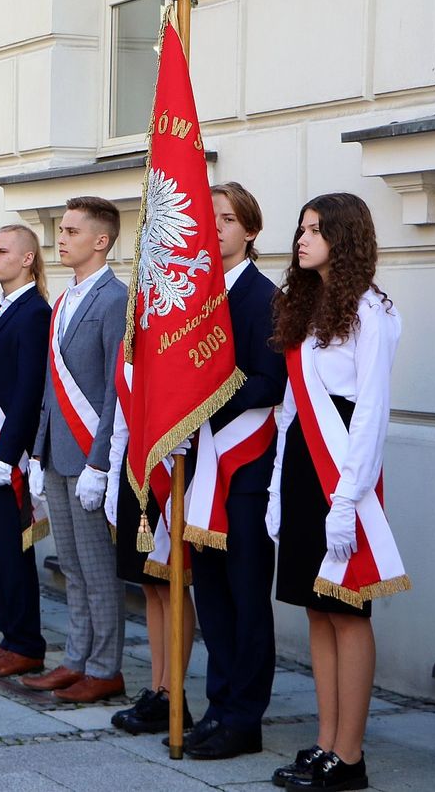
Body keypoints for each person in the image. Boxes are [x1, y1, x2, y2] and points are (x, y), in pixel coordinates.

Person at [267, 193, 406, 791]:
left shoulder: (372, 311)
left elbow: (371, 409)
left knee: (347, 609)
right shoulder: (308, 305)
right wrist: (278, 483)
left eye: (316, 230)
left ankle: (350, 756)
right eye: (301, 229)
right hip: (303, 464)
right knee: (316, 607)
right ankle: (324, 742)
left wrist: (348, 500)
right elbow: (291, 409)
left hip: (344, 470)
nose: (302, 239)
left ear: (344, 238)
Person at [168, 183, 286, 757]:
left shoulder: (265, 296)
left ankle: (245, 716)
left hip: (245, 471)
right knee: (209, 594)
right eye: (206, 218)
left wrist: (207, 396)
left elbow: (269, 382)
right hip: (199, 468)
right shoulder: (194, 295)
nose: (214, 228)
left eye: (227, 218)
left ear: (250, 231)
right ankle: (218, 705)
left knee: (244, 597)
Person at [21, 197, 127, 701]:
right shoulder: (63, 299)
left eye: (71, 231)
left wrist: (101, 463)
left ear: (101, 240)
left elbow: (114, 390)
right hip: (58, 453)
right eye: (60, 229)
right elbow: (49, 385)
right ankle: (77, 658)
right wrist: (38, 453)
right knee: (71, 567)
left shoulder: (115, 299)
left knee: (96, 569)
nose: (60, 238)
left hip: (89, 457)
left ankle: (105, 668)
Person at [0, 224, 51, 677]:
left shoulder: (35, 313)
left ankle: (26, 642)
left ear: (27, 259)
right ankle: (8, 637)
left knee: (12, 552)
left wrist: (9, 450)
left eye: (2, 251)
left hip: (7, 454)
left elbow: (27, 390)